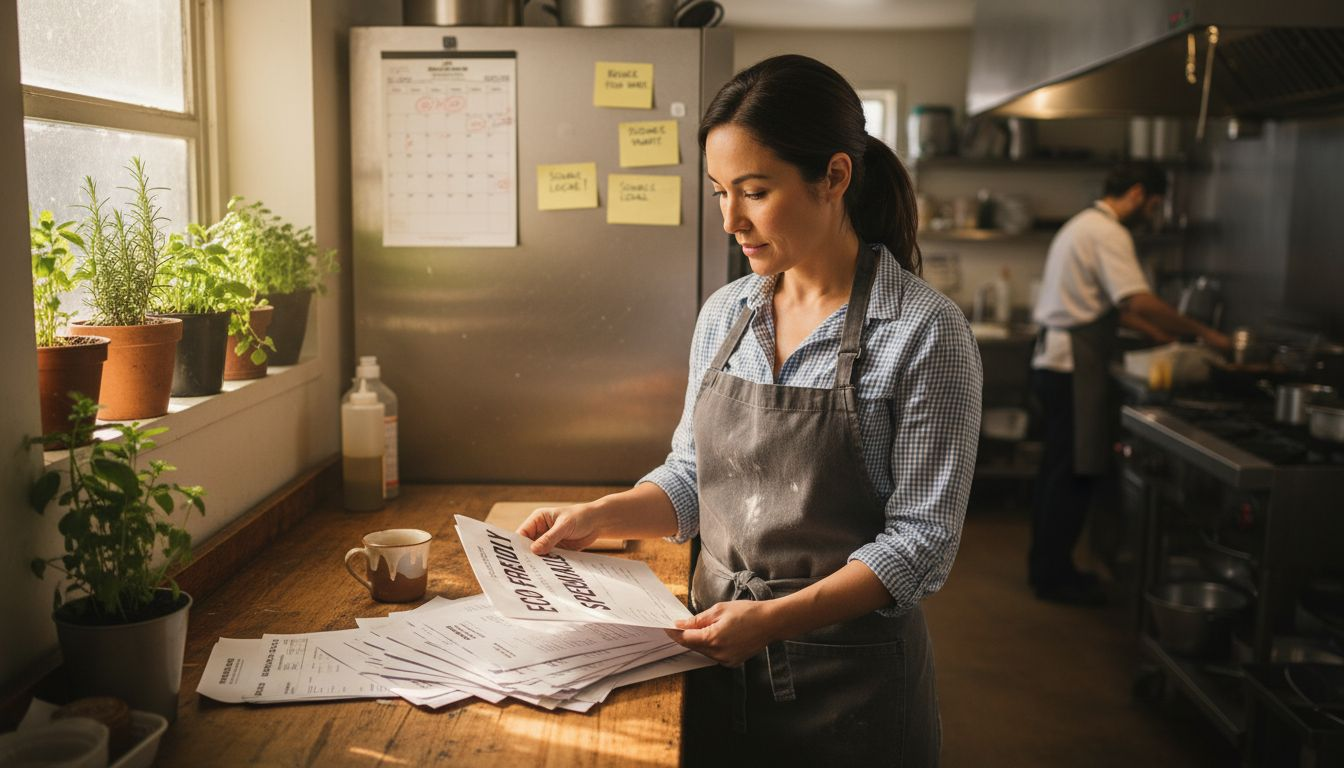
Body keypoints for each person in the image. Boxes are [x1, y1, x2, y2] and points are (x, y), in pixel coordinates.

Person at [519, 55, 981, 765]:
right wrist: (600, 516)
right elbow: (692, 476)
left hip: (851, 690)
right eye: (718, 192)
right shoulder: (726, 314)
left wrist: (771, 621)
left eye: (756, 191)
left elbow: (921, 544)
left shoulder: (922, 330)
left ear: (833, 177)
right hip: (713, 653)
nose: (731, 219)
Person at [1028, 164, 1230, 605]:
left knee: (1057, 472)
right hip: (1072, 365)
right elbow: (1135, 298)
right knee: (1075, 473)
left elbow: (1112, 305)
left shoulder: (1082, 224)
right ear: (1138, 193)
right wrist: (1206, 334)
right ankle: (1054, 576)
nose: (1153, 215)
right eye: (1155, 205)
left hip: (1055, 359)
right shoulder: (1108, 232)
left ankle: (1046, 568)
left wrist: (1158, 333)